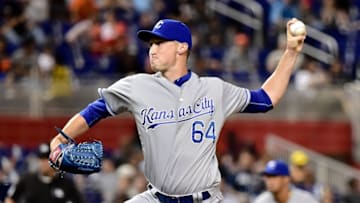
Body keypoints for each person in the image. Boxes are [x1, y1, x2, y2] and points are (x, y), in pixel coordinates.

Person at [49, 18, 306, 203]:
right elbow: (96, 110)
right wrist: (62, 138)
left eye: (160, 43)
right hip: (156, 197)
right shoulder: (137, 85)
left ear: (182, 47)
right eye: (150, 44)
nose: (152, 49)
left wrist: (290, 53)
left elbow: (266, 98)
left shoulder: (214, 89)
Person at [5, 143, 85, 203]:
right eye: (41, 159)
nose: (43, 163)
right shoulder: (26, 180)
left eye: (47, 159)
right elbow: (10, 199)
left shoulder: (66, 183)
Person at [254, 159, 319, 203]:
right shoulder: (262, 201)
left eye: (274, 176)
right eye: (267, 176)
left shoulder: (304, 200)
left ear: (286, 179)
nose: (269, 181)